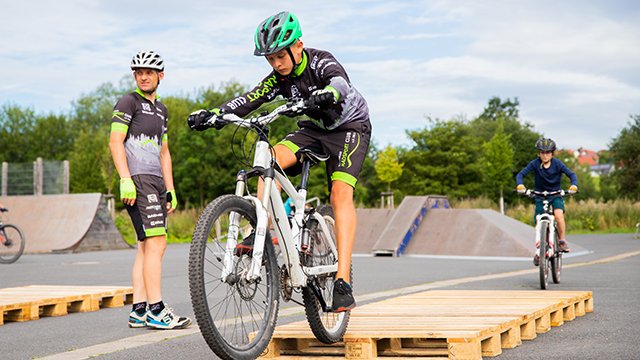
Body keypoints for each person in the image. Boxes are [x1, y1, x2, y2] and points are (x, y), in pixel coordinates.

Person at [187, 11, 371, 312]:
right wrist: (215, 114)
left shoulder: (320, 61)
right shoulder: (278, 78)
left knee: (340, 194)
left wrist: (325, 94)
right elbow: (250, 98)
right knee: (267, 158)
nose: (276, 64)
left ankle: (342, 281)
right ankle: (262, 225)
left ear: (297, 46)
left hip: (349, 128)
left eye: (279, 57)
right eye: (269, 59)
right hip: (314, 130)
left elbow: (340, 84)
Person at [109, 50, 191, 329]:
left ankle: (139, 310)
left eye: (149, 72)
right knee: (157, 243)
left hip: (156, 180)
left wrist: (170, 188)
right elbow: (115, 142)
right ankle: (157, 310)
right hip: (138, 179)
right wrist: (124, 178)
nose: (143, 76)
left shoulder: (162, 110)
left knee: (145, 246)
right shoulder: (128, 102)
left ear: (160, 76)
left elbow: (164, 152)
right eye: (139, 72)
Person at [516, 137, 578, 266]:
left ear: (552, 153)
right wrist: (520, 185)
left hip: (555, 195)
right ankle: (540, 251)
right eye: (542, 152)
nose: (545, 155)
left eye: (548, 152)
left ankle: (561, 241)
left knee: (559, 215)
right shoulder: (534, 164)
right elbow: (520, 174)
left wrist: (573, 186)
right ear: (539, 153)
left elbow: (571, 174)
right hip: (539, 196)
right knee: (538, 221)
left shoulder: (557, 164)